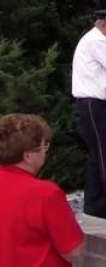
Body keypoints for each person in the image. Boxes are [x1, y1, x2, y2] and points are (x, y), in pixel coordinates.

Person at [0, 114, 84, 267]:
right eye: (44, 146)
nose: (46, 152)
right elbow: (73, 251)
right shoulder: (45, 193)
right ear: (27, 156)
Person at [72, 7, 106, 221]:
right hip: (95, 106)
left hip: (99, 106)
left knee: (99, 158)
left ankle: (95, 207)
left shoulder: (100, 41)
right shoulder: (96, 41)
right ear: (105, 24)